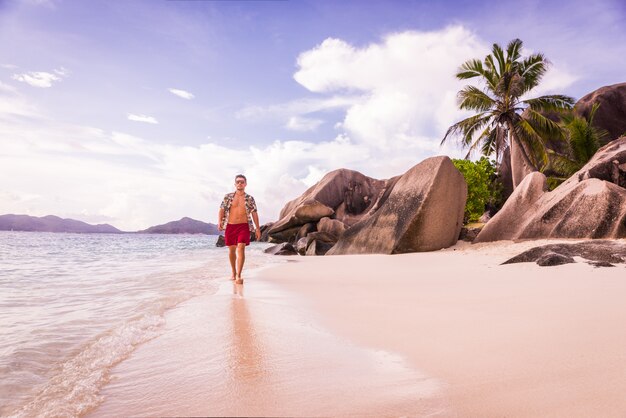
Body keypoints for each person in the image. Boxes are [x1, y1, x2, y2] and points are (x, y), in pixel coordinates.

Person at [218, 174, 261, 284]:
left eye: (242, 182)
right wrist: (219, 222)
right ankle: (233, 271)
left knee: (241, 247)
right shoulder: (228, 197)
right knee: (232, 250)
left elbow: (254, 213)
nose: (240, 183)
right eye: (238, 182)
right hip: (230, 226)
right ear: (235, 184)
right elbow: (221, 210)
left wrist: (257, 228)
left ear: (245, 184)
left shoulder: (249, 198)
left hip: (244, 226)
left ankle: (239, 275)